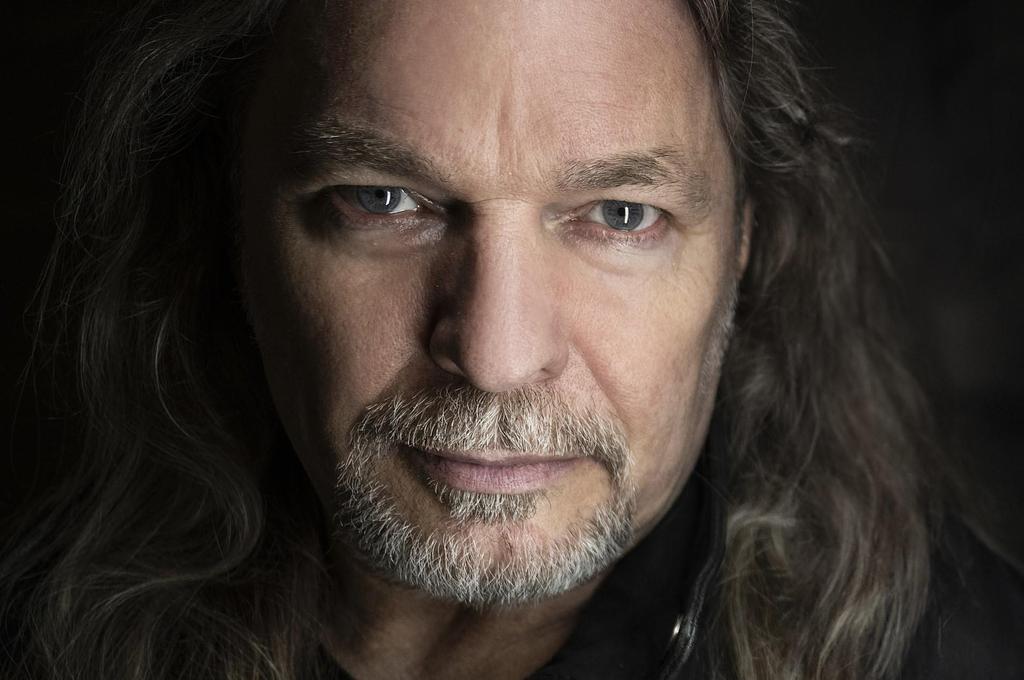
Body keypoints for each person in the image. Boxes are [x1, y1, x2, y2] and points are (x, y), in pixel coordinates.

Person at [2, 0, 1022, 678]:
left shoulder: (958, 653)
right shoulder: (49, 622)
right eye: (383, 199)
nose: (495, 356)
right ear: (230, 221)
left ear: (742, 245)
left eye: (619, 215)